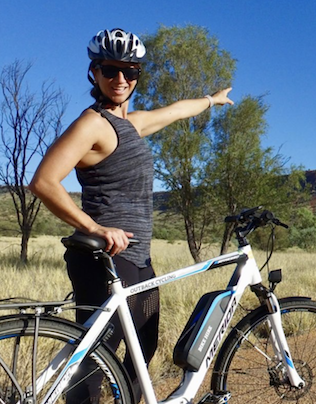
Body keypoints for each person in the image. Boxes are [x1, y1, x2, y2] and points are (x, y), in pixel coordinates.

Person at [29, 28, 233, 402]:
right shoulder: (93, 124)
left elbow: (173, 112)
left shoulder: (132, 124)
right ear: (94, 73)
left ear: (138, 74)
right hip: (104, 256)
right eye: (110, 70)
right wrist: (95, 227)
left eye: (129, 71)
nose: (120, 79)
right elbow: (43, 182)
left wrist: (211, 100)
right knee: (94, 355)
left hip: (138, 258)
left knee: (144, 347)